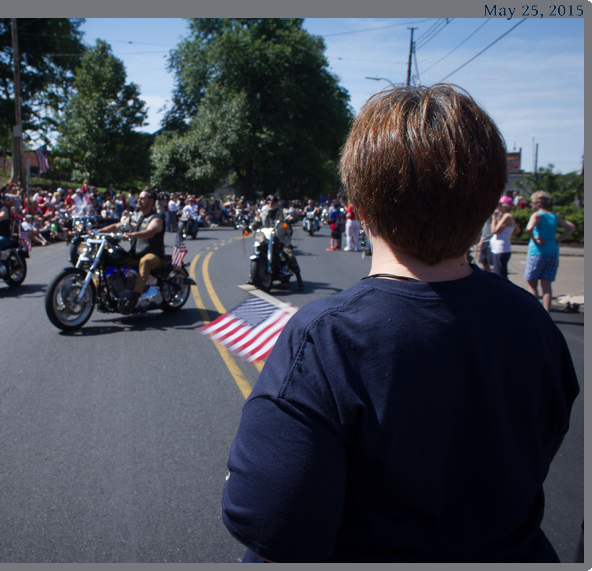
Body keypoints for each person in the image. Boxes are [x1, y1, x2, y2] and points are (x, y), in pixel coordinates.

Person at [221, 84, 579, 563]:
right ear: (484, 209)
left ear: (362, 210)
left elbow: (268, 518)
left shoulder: (327, 335)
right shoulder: (532, 319)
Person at [99, 187, 165, 314]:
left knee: (145, 262)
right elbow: (117, 226)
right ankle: (106, 294)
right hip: (135, 254)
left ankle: (132, 302)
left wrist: (130, 235)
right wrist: (97, 231)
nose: (138, 200)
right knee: (110, 258)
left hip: (153, 255)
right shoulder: (134, 217)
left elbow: (150, 232)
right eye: (139, 198)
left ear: (151, 201)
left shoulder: (156, 218)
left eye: (142, 198)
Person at [524, 190, 576, 314]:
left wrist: (534, 239)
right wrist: (558, 239)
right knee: (546, 286)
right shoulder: (554, 216)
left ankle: (535, 312)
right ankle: (546, 313)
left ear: (539, 203)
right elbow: (571, 227)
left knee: (532, 285)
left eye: (532, 202)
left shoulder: (537, 215)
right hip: (552, 252)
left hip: (537, 252)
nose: (531, 205)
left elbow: (529, 228)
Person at [489, 195, 520, 280]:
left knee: (499, 275)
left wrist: (494, 218)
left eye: (500, 204)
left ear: (504, 206)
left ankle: (502, 292)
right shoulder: (509, 216)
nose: (498, 207)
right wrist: (507, 234)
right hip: (502, 248)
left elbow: (494, 231)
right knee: (501, 272)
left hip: (500, 249)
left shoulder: (506, 216)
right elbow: (517, 230)